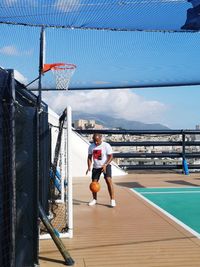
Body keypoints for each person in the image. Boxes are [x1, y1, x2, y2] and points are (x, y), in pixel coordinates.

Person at [86, 133, 116, 207]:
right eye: (94, 141)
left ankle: (112, 200)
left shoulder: (106, 145)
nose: (96, 142)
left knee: (108, 180)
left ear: (101, 138)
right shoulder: (91, 146)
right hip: (96, 167)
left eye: (97, 141)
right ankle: (94, 199)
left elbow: (111, 156)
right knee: (94, 183)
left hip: (106, 165)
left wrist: (105, 165)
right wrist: (89, 166)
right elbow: (89, 157)